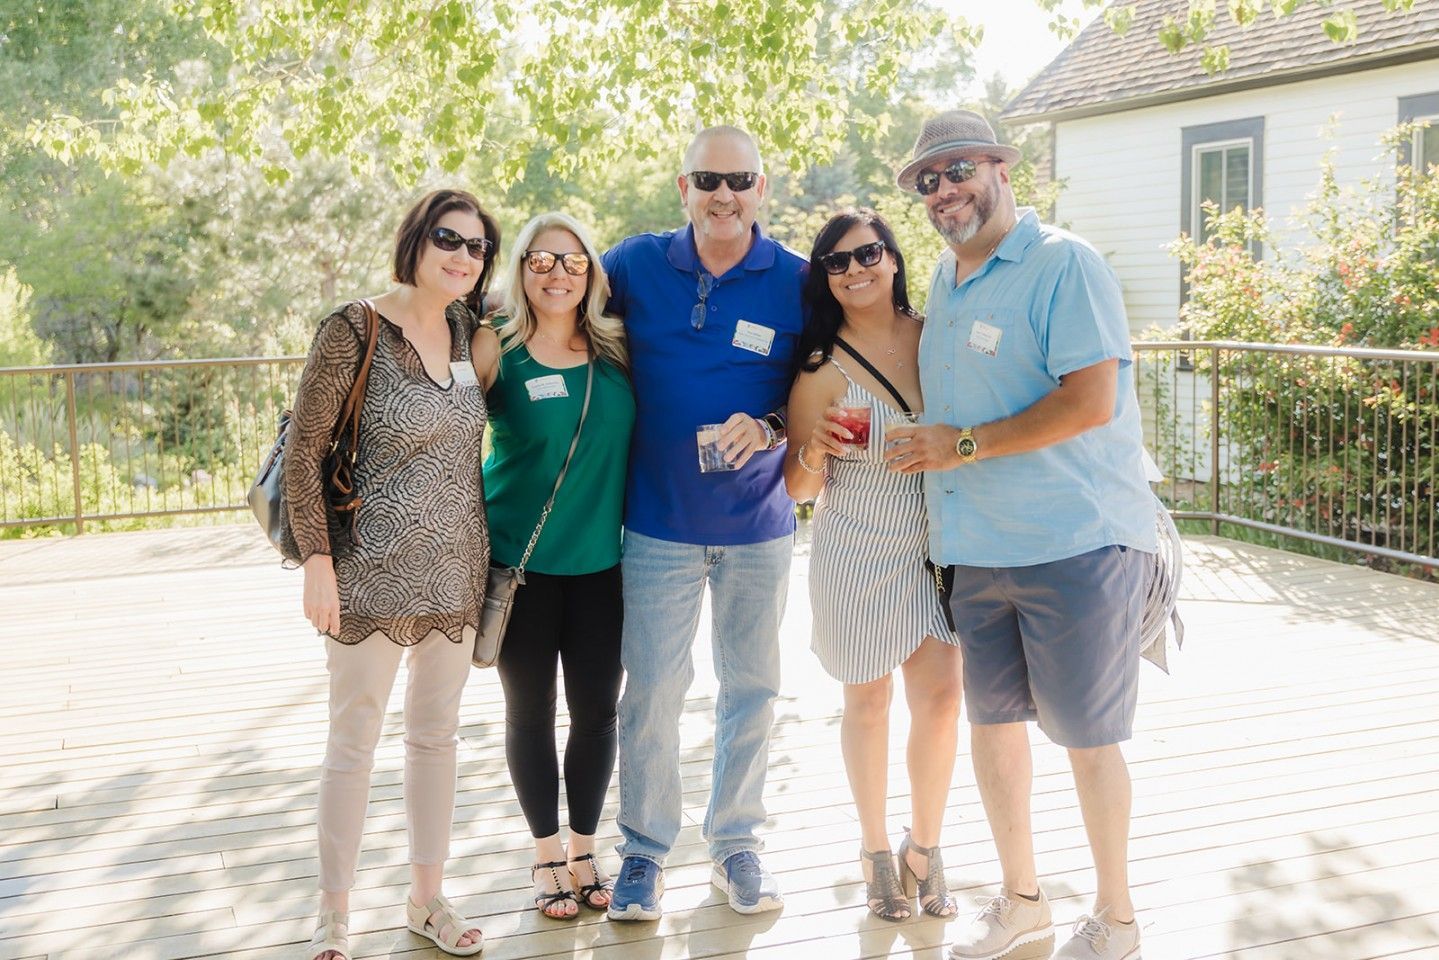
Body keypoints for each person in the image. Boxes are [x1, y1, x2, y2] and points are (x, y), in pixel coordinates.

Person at [885, 110, 1157, 960]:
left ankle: (1115, 919)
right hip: (976, 549)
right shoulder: (945, 278)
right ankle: (1024, 902)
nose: (941, 190)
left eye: (956, 168)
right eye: (926, 179)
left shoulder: (1062, 264)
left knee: (1085, 736)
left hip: (1073, 542)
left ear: (1002, 167)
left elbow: (1089, 401)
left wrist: (960, 445)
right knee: (992, 729)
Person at [284, 189, 498, 960]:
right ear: (414, 237)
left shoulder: (472, 329)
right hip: (364, 572)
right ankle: (334, 913)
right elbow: (305, 452)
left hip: (455, 572)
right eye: (448, 238)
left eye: (476, 247)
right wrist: (316, 560)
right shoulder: (354, 327)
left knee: (435, 739)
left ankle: (425, 900)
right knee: (354, 740)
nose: (462, 256)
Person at [599, 125, 805, 921]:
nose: (724, 194)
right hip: (655, 523)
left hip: (759, 525)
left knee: (750, 689)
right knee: (651, 689)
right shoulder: (631, 265)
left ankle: (737, 845)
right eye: (707, 179)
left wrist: (774, 421)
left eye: (740, 179)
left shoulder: (795, 278)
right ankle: (644, 854)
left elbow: (822, 385)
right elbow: (554, 314)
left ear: (762, 188)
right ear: (681, 187)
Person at [784, 208, 964, 923]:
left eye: (866, 255)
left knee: (943, 702)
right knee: (867, 704)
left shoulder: (936, 338)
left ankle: (926, 845)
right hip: (854, 550)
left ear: (892, 258)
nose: (854, 271)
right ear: (823, 279)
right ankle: (873, 852)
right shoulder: (819, 369)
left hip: (936, 549)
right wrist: (816, 451)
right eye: (836, 262)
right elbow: (797, 490)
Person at [470, 212, 635, 920]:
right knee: (529, 715)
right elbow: (441, 432)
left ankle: (584, 847)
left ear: (591, 273)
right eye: (541, 260)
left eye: (572, 262)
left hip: (604, 566)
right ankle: (544, 856)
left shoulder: (619, 351)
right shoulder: (493, 349)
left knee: (596, 715)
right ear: (521, 269)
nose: (557, 274)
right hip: (520, 570)